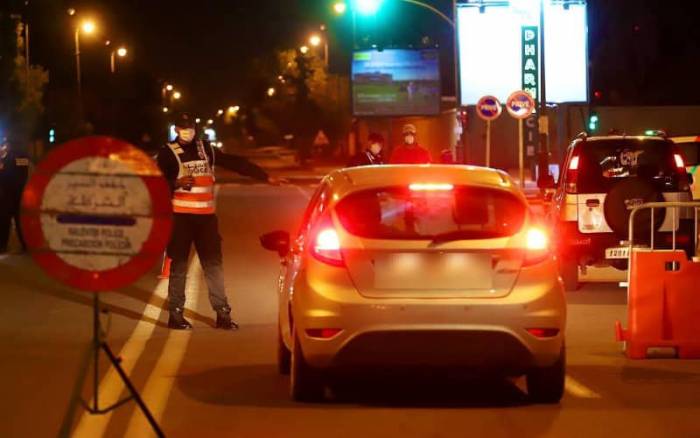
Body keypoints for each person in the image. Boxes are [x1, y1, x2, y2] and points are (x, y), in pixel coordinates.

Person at [157, 112, 279, 330]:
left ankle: (223, 314)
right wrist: (175, 182)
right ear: (176, 129)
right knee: (179, 268)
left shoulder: (206, 149)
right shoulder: (167, 153)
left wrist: (264, 176)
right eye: (183, 128)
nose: (188, 131)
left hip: (205, 221)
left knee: (214, 267)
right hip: (181, 220)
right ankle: (175, 316)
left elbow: (234, 162)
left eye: (191, 127)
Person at [0, 137, 30, 255]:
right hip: (21, 193)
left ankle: (2, 245)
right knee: (20, 221)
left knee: (4, 221)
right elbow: (25, 173)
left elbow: (3, 174)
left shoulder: (8, 158)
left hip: (8, 193)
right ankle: (25, 244)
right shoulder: (25, 157)